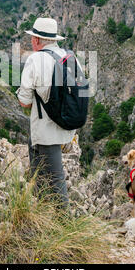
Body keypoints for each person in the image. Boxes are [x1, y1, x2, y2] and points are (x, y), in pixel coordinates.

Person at [16, 18, 78, 209]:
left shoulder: (35, 59)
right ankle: (40, 207)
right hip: (68, 125)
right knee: (35, 152)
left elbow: (24, 102)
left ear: (36, 40)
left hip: (47, 130)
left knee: (56, 177)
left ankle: (65, 226)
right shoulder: (70, 57)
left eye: (32, 38)